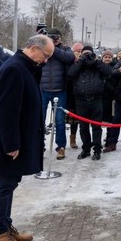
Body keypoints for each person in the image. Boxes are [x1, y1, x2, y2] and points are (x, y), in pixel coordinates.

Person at [0, 34, 54, 241]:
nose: (46, 60)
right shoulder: (14, 69)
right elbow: (6, 111)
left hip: (16, 139)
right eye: (46, 55)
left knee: (10, 184)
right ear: (34, 48)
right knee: (4, 186)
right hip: (9, 142)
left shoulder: (25, 67)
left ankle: (5, 227)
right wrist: (11, 144)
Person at [67, 46, 111, 161]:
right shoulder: (77, 65)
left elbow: (108, 72)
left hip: (96, 100)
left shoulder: (98, 65)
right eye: (84, 54)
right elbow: (70, 74)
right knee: (83, 127)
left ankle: (97, 150)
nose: (87, 57)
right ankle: (86, 149)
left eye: (89, 54)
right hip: (80, 100)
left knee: (96, 127)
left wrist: (95, 61)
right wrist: (81, 61)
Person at [38, 29, 74, 160]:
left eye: (56, 37)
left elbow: (70, 58)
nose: (54, 39)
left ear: (60, 38)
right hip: (43, 89)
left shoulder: (65, 49)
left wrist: (53, 48)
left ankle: (61, 147)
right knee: (39, 120)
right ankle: (39, 146)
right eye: (51, 37)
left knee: (59, 121)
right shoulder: (42, 47)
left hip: (60, 90)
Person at [66, 42, 84, 150]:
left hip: (81, 94)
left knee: (78, 119)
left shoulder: (85, 62)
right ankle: (68, 139)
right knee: (70, 118)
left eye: (81, 51)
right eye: (77, 51)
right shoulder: (69, 62)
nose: (79, 53)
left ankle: (75, 138)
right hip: (70, 93)